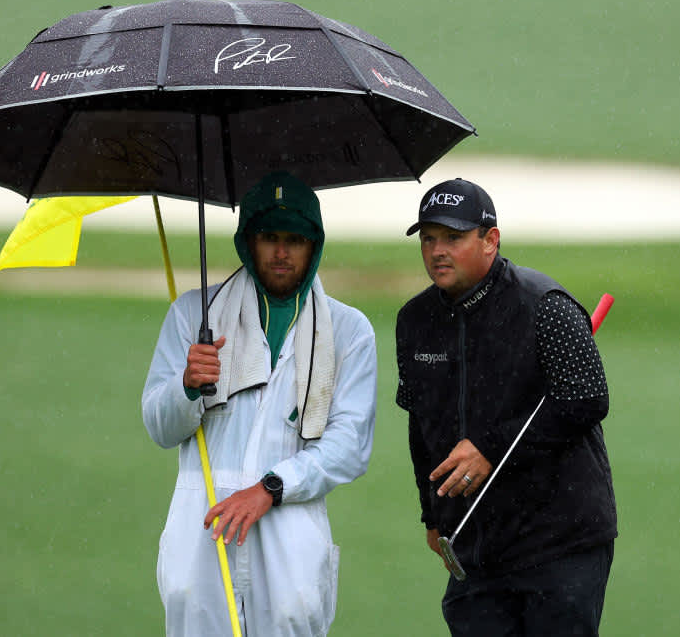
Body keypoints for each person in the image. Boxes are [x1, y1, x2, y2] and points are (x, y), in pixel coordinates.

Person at [142, 171, 377, 637]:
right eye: (269, 237)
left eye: (296, 239)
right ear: (247, 241)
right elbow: (158, 426)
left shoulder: (350, 331)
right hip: (202, 523)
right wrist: (187, 386)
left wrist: (271, 487)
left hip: (291, 524)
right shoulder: (193, 314)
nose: (282, 252)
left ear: (316, 246)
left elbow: (349, 446)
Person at [395, 178, 617, 636]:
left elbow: (585, 400)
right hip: (475, 546)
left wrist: (490, 447)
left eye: (453, 238)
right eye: (429, 238)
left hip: (559, 542)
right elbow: (421, 425)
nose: (438, 251)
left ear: (490, 240)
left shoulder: (545, 306)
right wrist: (432, 514)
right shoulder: (415, 321)